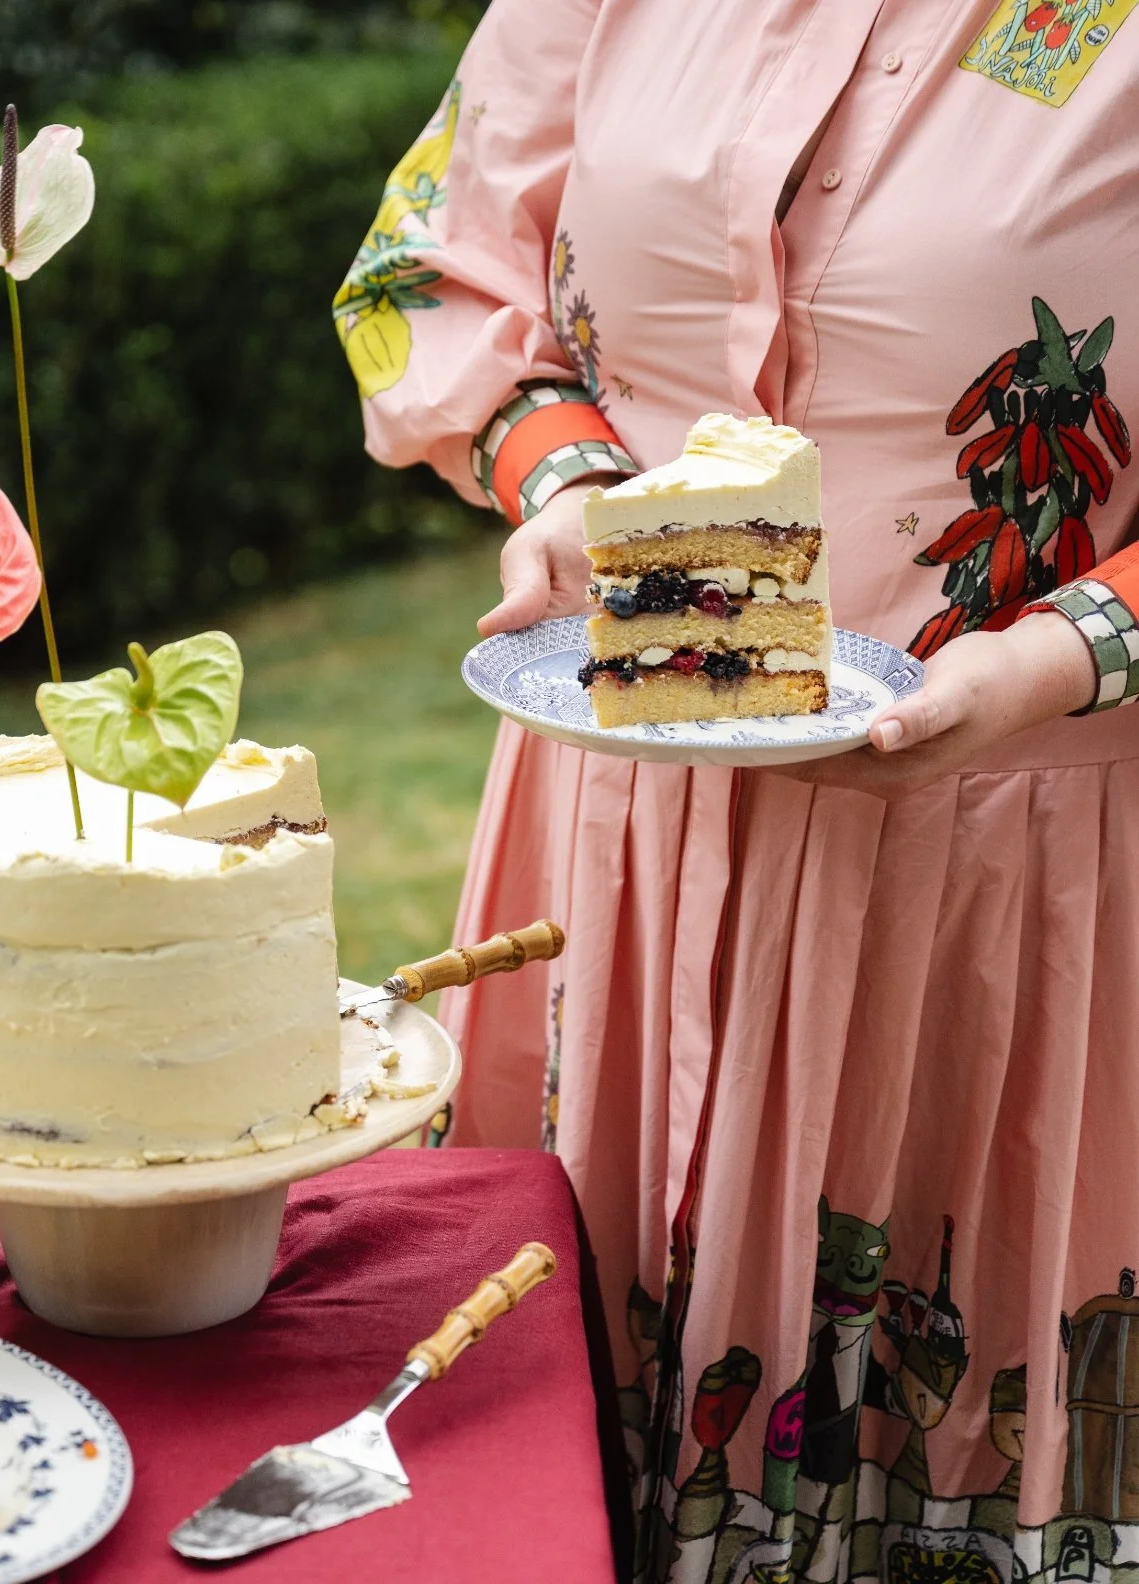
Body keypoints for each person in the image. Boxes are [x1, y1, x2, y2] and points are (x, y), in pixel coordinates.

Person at [335, 3, 1139, 1581]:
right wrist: (564, 481)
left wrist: (1056, 655)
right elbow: (427, 274)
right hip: (617, 843)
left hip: (1006, 880)